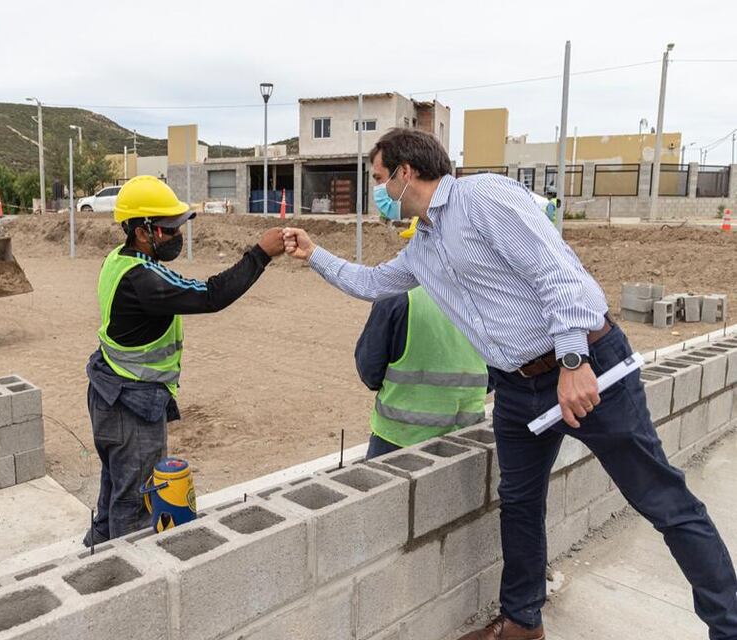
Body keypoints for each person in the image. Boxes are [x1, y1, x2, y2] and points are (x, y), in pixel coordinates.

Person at [282, 128, 737, 640]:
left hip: (585, 365)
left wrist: (571, 361)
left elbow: (558, 273)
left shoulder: (483, 198)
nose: (379, 193)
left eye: (381, 180)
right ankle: (522, 622)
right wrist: (314, 253)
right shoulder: (423, 247)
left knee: (661, 499)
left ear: (407, 173)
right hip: (519, 389)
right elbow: (370, 283)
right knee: (519, 501)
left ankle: (728, 624)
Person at [84, 175, 284, 544]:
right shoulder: (144, 281)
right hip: (131, 403)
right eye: (169, 228)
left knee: (114, 494)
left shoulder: (120, 259)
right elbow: (210, 295)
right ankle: (125, 585)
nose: (177, 234)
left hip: (108, 389)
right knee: (135, 509)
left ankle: (94, 561)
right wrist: (261, 254)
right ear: (142, 232)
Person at [355, 222, 487, 459]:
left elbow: (369, 369)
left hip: (399, 439)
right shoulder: (486, 296)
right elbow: (501, 368)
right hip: (466, 437)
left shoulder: (396, 296)